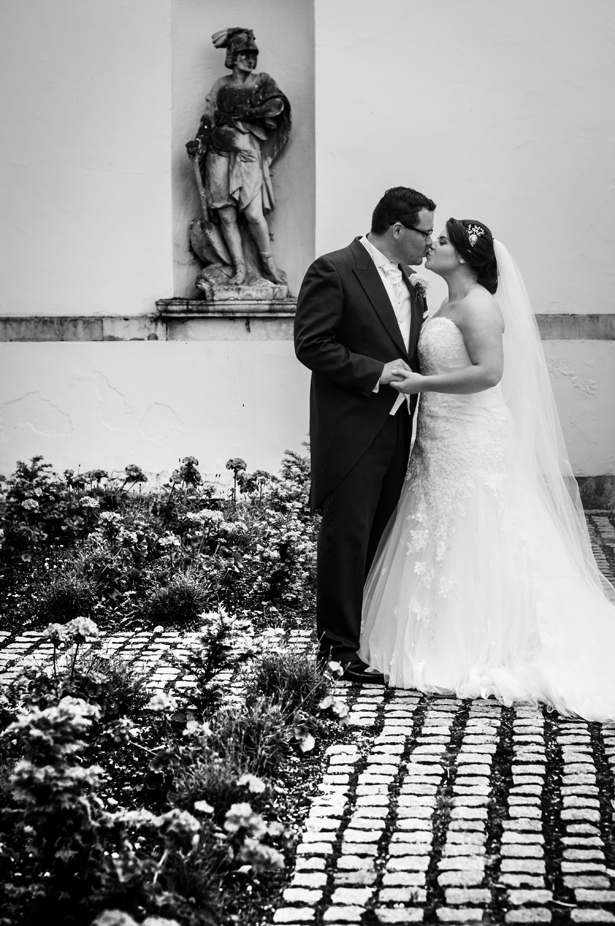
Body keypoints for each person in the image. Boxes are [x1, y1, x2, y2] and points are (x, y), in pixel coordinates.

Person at [359, 218, 615, 721]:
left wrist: (420, 387)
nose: (430, 245)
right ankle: (433, 627)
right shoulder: (445, 302)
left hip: (472, 432)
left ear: (465, 257)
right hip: (437, 435)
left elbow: (489, 374)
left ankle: (488, 637)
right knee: (439, 522)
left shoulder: (478, 304)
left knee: (482, 522)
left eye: (441, 241)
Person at [294, 187, 437, 684]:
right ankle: (337, 648)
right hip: (352, 429)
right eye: (424, 232)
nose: (430, 243)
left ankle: (368, 633)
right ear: (397, 229)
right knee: (347, 536)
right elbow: (312, 345)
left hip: (400, 427)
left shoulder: (411, 282)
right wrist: (376, 371)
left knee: (381, 533)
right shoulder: (333, 269)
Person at [187, 28, 291, 285]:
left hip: (246, 153)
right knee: (226, 215)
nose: (250, 59)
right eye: (244, 54)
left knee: (254, 214)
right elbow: (208, 119)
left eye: (253, 54)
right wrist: (198, 141)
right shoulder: (221, 85)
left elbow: (277, 106)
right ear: (232, 56)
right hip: (218, 152)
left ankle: (269, 266)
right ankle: (239, 268)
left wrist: (246, 112)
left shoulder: (261, 81)